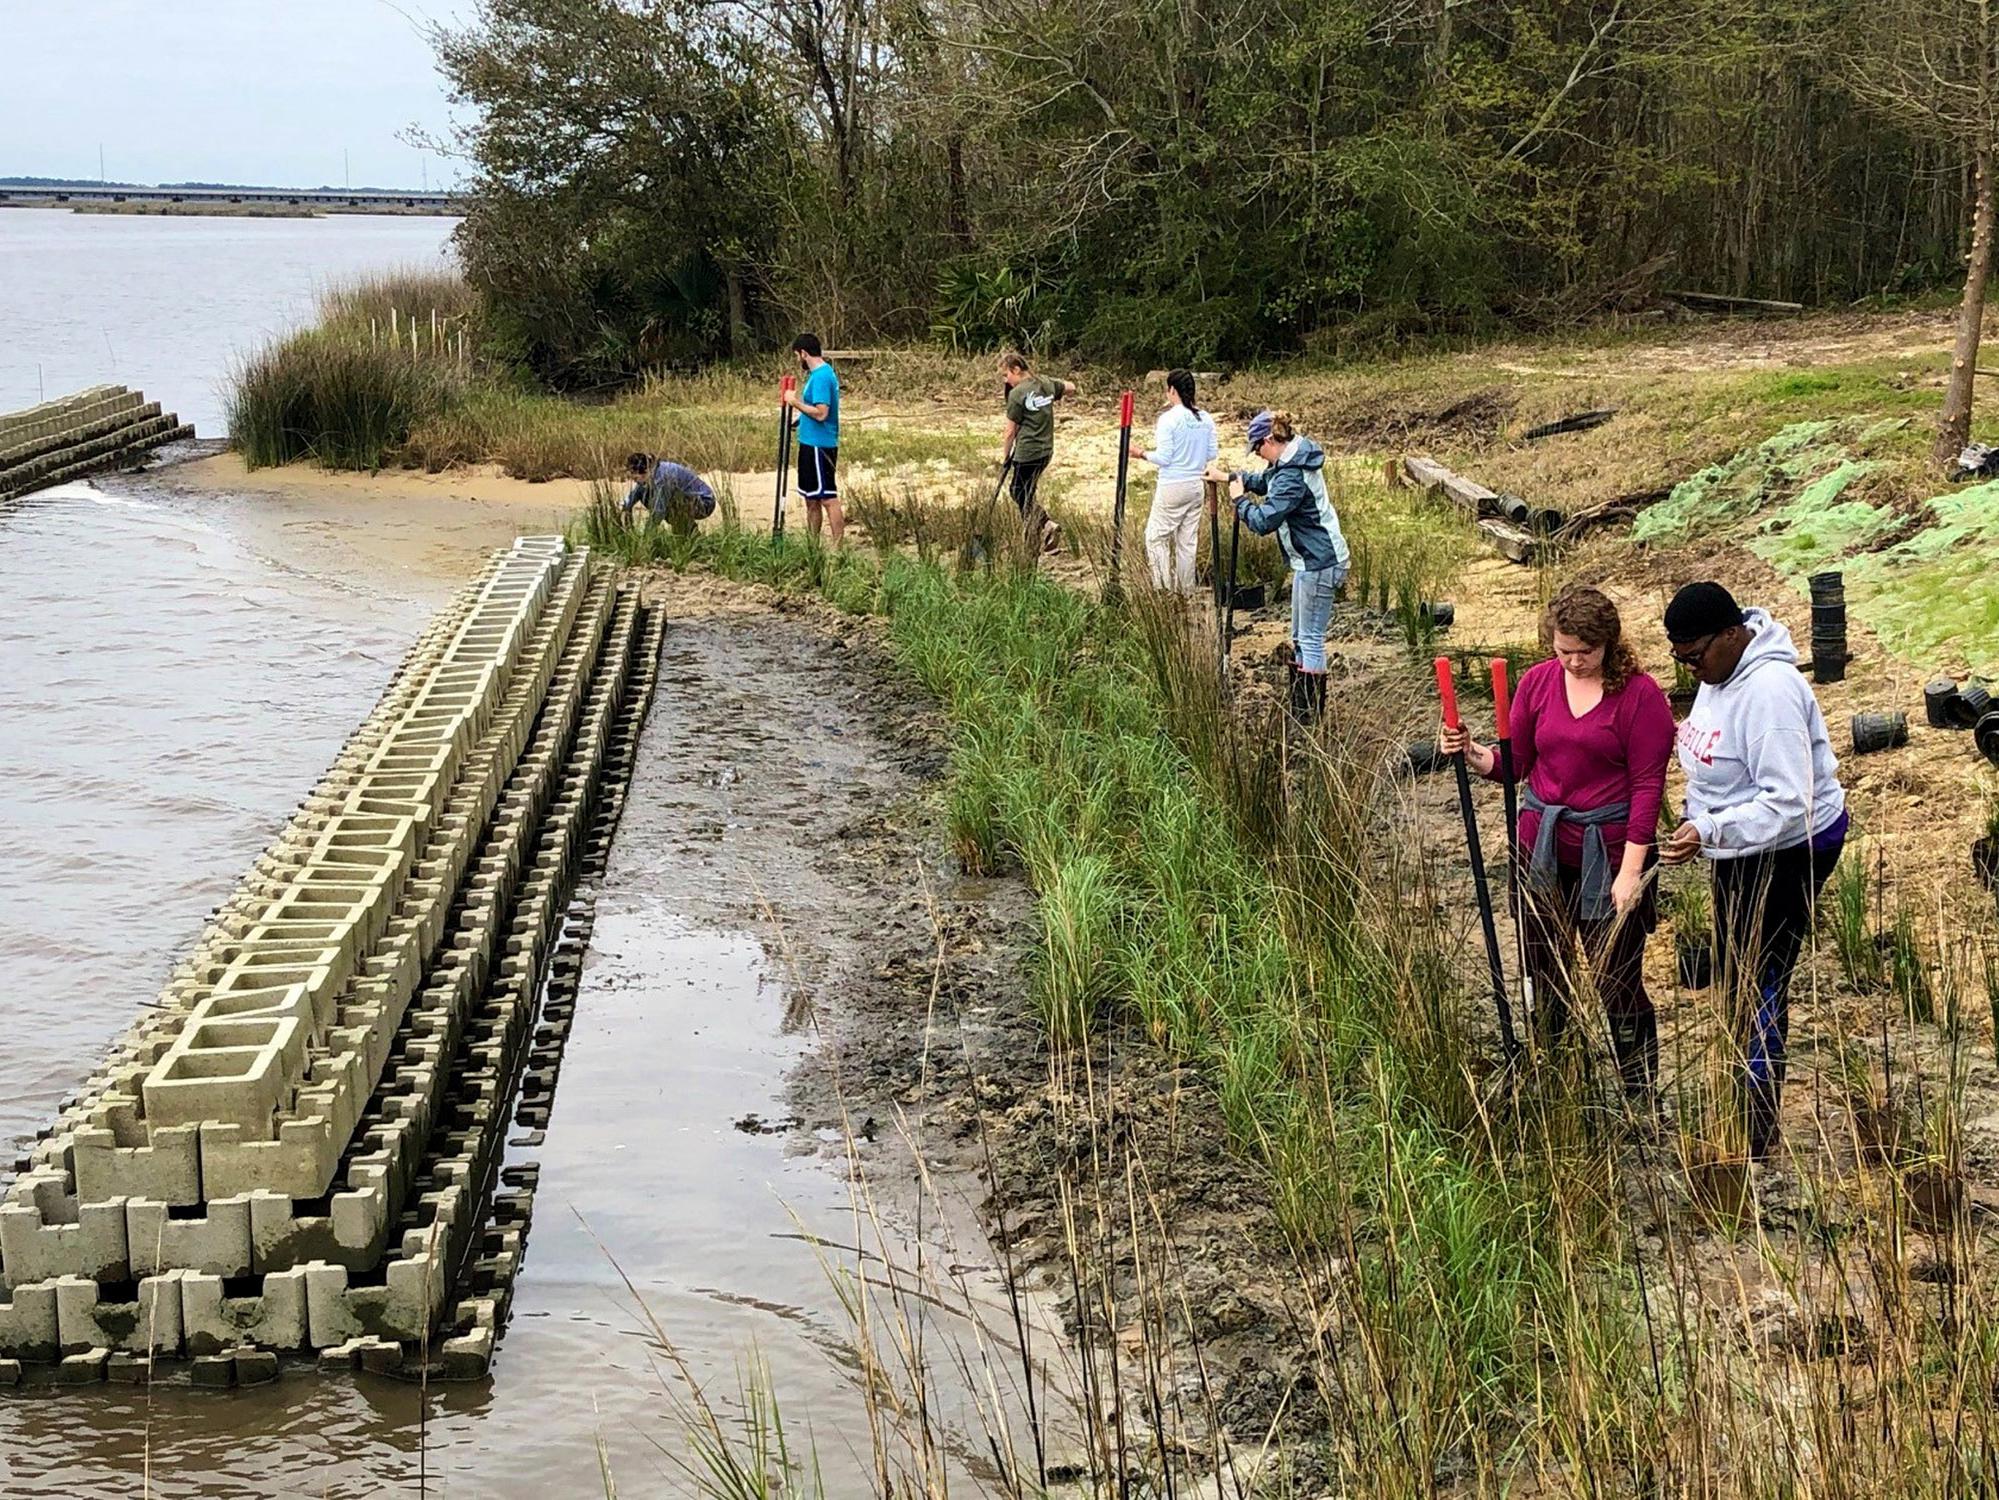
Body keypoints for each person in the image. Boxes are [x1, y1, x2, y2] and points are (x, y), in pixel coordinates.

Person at [1438, 589, 1675, 1106]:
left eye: (1583, 652)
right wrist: (1471, 751)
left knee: (1616, 978)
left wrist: (1631, 872)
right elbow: (1514, 764)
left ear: (1607, 645)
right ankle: (1561, 1080)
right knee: (1543, 970)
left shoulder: (1640, 697)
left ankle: (1640, 1092)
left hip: (1610, 854)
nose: (1571, 660)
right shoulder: (1539, 683)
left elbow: (1647, 791)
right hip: (1541, 850)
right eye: (1562, 649)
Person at [1659, 581, 1848, 1161]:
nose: (1690, 670)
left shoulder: (1769, 692)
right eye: (1679, 660)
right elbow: (1716, 765)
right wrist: (1698, 817)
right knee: (1738, 967)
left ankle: (1756, 1129)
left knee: (1761, 975)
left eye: (1695, 656)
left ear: (1733, 633)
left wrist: (1711, 829)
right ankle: (1742, 1099)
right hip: (1738, 848)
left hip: (1792, 846)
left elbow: (1788, 800)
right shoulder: (1719, 676)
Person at [1219, 409, 1349, 721]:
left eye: (1257, 449)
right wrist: (1232, 478)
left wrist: (1239, 501)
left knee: (1310, 639)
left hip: (1319, 563)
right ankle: (1302, 708)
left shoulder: (1291, 474)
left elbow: (1265, 521)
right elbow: (1265, 481)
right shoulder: (1290, 460)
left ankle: (1309, 718)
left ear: (1268, 440)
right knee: (1299, 637)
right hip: (1310, 561)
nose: (1259, 457)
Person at [1132, 369, 1218, 593]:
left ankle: (1163, 589)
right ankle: (1186, 590)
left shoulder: (1168, 419)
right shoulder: (1205, 418)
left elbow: (1164, 457)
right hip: (1196, 484)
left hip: (1172, 484)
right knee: (1187, 541)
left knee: (1156, 537)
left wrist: (1140, 453)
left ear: (1172, 390)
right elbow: (1211, 453)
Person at [999, 351, 1075, 552]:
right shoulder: (1044, 383)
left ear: (1016, 369)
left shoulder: (1017, 394)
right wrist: (1049, 396)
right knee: (1027, 491)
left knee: (1017, 491)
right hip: (1046, 450)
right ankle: (1034, 535)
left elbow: (1009, 431)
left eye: (1007, 375)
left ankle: (1046, 525)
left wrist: (1005, 456)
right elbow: (1070, 387)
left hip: (1027, 451)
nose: (1006, 381)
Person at [782, 333, 842, 542]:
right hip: (808, 442)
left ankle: (838, 547)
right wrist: (798, 420)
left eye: (798, 356)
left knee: (827, 497)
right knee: (811, 497)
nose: (798, 360)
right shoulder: (815, 377)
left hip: (820, 444)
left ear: (804, 353)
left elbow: (822, 412)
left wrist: (794, 401)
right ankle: (812, 544)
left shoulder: (823, 376)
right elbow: (813, 410)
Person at [622, 453, 717, 531]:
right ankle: (687, 529)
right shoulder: (653, 472)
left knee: (670, 502)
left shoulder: (663, 477)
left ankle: (688, 533)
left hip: (704, 503)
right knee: (643, 493)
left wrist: (647, 536)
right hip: (688, 499)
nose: (635, 481)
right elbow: (636, 492)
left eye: (636, 478)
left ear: (646, 470)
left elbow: (659, 510)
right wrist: (625, 506)